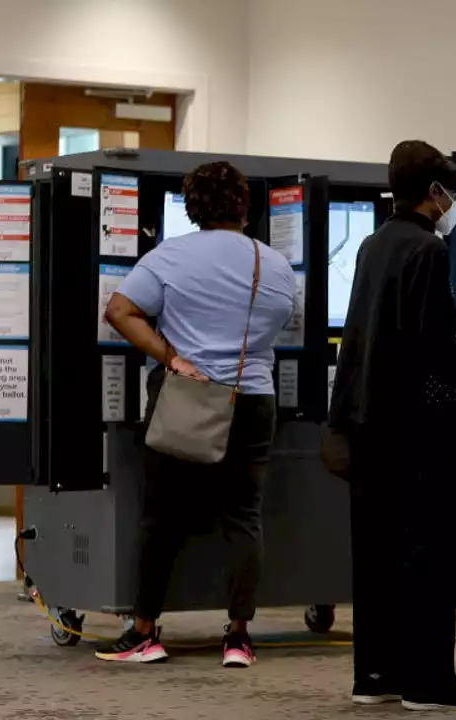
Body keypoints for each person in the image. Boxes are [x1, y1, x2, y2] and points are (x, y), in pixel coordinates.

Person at [329, 140, 456, 711]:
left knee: (375, 554)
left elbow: (362, 339)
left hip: (366, 422)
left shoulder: (372, 245)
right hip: (416, 427)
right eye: (451, 192)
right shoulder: (426, 251)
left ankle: (375, 676)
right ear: (435, 193)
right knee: (426, 554)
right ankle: (430, 684)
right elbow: (432, 344)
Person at [98, 161, 297, 668]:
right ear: (244, 206)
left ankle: (144, 632)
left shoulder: (169, 256)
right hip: (253, 399)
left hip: (187, 396)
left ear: (191, 208)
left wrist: (171, 356)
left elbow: (120, 312)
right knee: (243, 518)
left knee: (161, 519)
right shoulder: (273, 264)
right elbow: (282, 322)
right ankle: (237, 638)